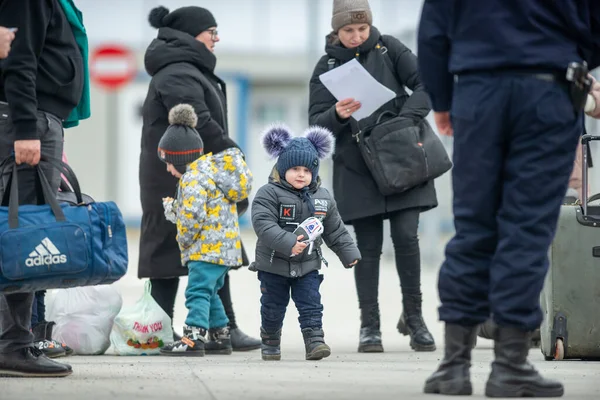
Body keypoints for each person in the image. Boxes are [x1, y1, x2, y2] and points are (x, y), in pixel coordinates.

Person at [418, 0, 600, 397]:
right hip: (548, 92)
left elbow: (433, 31)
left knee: (473, 227)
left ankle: (453, 367)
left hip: (478, 92)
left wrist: (444, 100)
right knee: (528, 229)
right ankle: (510, 365)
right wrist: (577, 65)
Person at [308, 0, 437, 354]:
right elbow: (315, 122)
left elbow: (427, 84)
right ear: (336, 30)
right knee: (367, 249)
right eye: (349, 30)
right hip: (358, 168)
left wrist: (405, 119)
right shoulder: (327, 65)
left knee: (407, 239)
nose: (356, 36)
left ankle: (415, 318)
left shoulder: (390, 48)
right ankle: (370, 325)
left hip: (402, 158)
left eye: (362, 29)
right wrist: (335, 112)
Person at [139, 5, 260, 351]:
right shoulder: (178, 73)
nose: (217, 38)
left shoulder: (186, 69)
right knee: (170, 249)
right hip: (175, 176)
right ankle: (161, 327)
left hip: (198, 175)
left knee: (211, 251)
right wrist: (235, 159)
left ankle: (224, 330)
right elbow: (201, 124)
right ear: (193, 35)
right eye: (212, 32)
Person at [0, 0, 89, 377]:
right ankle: (13, 345)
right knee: (24, 236)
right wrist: (25, 129)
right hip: (28, 121)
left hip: (35, 117)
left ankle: (14, 341)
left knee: (20, 232)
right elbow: (18, 60)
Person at [251, 124, 361, 361]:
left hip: (308, 264)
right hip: (273, 265)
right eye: (294, 168)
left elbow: (335, 228)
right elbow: (264, 225)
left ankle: (315, 342)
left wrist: (348, 252)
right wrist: (288, 242)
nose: (301, 174)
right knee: (272, 307)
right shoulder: (268, 194)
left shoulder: (322, 197)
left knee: (311, 305)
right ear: (282, 168)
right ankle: (270, 341)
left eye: (306, 170)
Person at [157, 104, 252, 356]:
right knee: (210, 293)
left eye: (169, 163)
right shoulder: (212, 173)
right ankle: (221, 337)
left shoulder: (192, 179)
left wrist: (184, 239)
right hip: (224, 250)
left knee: (197, 291)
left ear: (180, 158)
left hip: (204, 250)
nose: (168, 169)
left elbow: (192, 217)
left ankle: (193, 338)